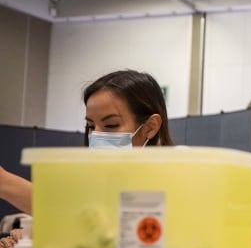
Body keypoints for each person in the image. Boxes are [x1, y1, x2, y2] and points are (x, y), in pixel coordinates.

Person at [0, 70, 173, 214]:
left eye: (111, 125)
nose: (96, 135)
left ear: (150, 127)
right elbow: (61, 207)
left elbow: (67, 212)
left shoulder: (173, 182)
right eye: (90, 126)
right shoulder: (98, 180)